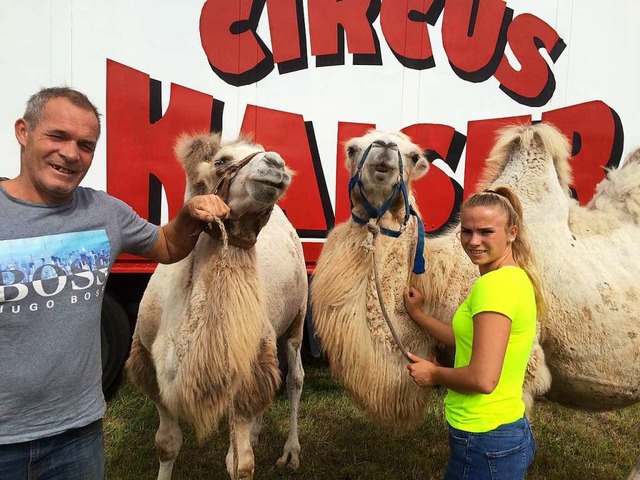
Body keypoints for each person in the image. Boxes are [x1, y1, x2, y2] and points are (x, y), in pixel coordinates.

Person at [0, 87, 230, 479]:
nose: (71, 154)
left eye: (85, 145)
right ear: (23, 131)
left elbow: (169, 244)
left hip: (78, 436)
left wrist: (190, 213)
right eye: (57, 136)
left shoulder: (103, 212)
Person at [403, 186, 546, 480]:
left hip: (484, 438)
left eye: (485, 232)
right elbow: (468, 340)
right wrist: (419, 315)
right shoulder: (514, 277)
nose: (474, 241)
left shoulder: (493, 287)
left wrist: (433, 374)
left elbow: (483, 379)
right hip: (504, 429)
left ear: (512, 232)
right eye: (466, 232)